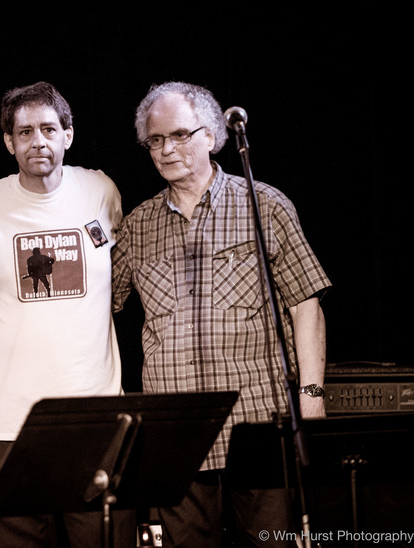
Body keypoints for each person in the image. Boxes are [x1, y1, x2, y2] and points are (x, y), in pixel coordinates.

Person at [111, 81, 330, 548]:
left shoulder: (264, 204)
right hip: (176, 430)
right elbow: (100, 305)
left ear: (212, 135)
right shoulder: (137, 224)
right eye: (155, 140)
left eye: (179, 135)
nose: (166, 149)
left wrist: (311, 395)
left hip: (257, 420)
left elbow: (305, 305)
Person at [0, 82, 127, 546]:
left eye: (48, 129)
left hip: (94, 416)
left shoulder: (100, 189)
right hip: (3, 422)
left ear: (67, 135)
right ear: (9, 142)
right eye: (25, 132)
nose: (38, 140)